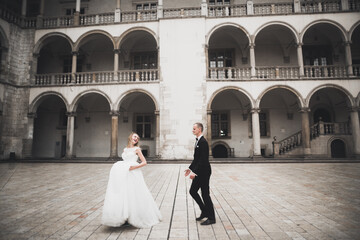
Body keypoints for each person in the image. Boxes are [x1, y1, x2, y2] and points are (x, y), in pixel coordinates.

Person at [101, 132, 162, 228]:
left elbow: (144, 162)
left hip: (133, 173)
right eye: (135, 136)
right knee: (124, 194)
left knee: (133, 194)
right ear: (130, 137)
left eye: (137, 138)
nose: (136, 138)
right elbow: (125, 161)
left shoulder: (137, 149)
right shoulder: (125, 149)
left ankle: (134, 216)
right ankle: (124, 216)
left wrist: (132, 168)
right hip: (124, 174)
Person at [185, 122, 216, 225]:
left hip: (204, 171)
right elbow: (196, 158)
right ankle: (204, 211)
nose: (192, 130)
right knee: (193, 191)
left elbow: (203, 160)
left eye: (194, 129)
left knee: (205, 194)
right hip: (200, 170)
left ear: (199, 129)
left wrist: (195, 172)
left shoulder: (203, 142)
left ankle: (211, 218)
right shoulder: (198, 141)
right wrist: (190, 169)